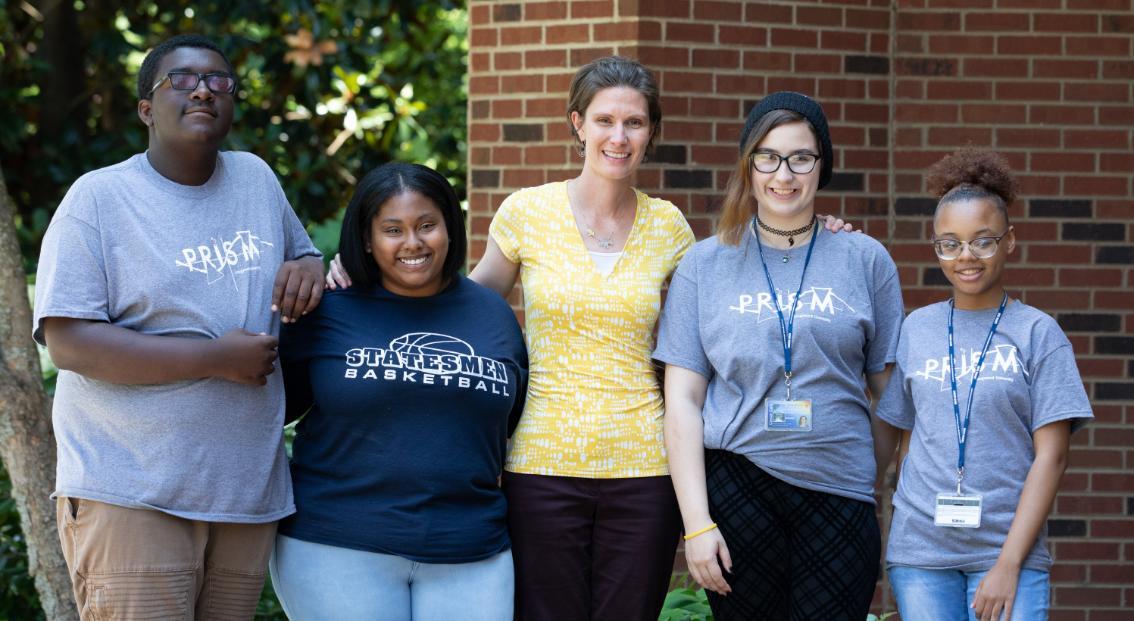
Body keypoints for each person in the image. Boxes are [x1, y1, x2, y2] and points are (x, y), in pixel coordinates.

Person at [326, 60, 850, 619]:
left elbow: (732, 291)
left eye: (634, 123)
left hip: (646, 471)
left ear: (652, 132)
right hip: (540, 466)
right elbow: (460, 305)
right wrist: (365, 272)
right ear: (578, 124)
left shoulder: (669, 226)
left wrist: (818, 239)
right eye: (604, 120)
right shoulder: (527, 213)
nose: (618, 137)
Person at [33, 34, 324, 618]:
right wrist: (215, 358)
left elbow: (304, 255)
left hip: (242, 496)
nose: (203, 90)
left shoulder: (256, 180)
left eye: (219, 80)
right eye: (183, 80)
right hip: (134, 492)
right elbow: (68, 341)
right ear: (146, 108)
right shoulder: (99, 199)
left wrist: (307, 266)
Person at [655, 91, 905, 620]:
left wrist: (863, 471)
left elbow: (888, 393)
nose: (783, 175)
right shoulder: (705, 264)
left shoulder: (866, 259)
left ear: (822, 165)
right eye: (767, 157)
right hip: (737, 483)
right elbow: (682, 400)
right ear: (748, 165)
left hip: (840, 492)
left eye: (801, 158)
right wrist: (697, 524)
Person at [268, 163, 527, 620]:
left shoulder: (493, 316)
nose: (413, 242)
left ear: (449, 228)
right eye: (393, 229)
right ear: (367, 239)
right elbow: (275, 408)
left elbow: (505, 424)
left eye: (427, 225)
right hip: (336, 544)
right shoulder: (326, 312)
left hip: (471, 549)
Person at [876, 148, 1091, 621]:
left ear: (1009, 242)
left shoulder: (1038, 334)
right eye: (949, 243)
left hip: (1005, 552)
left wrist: (1008, 564)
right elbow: (906, 438)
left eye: (983, 241)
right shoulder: (917, 329)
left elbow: (1051, 456)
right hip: (921, 555)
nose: (965, 256)